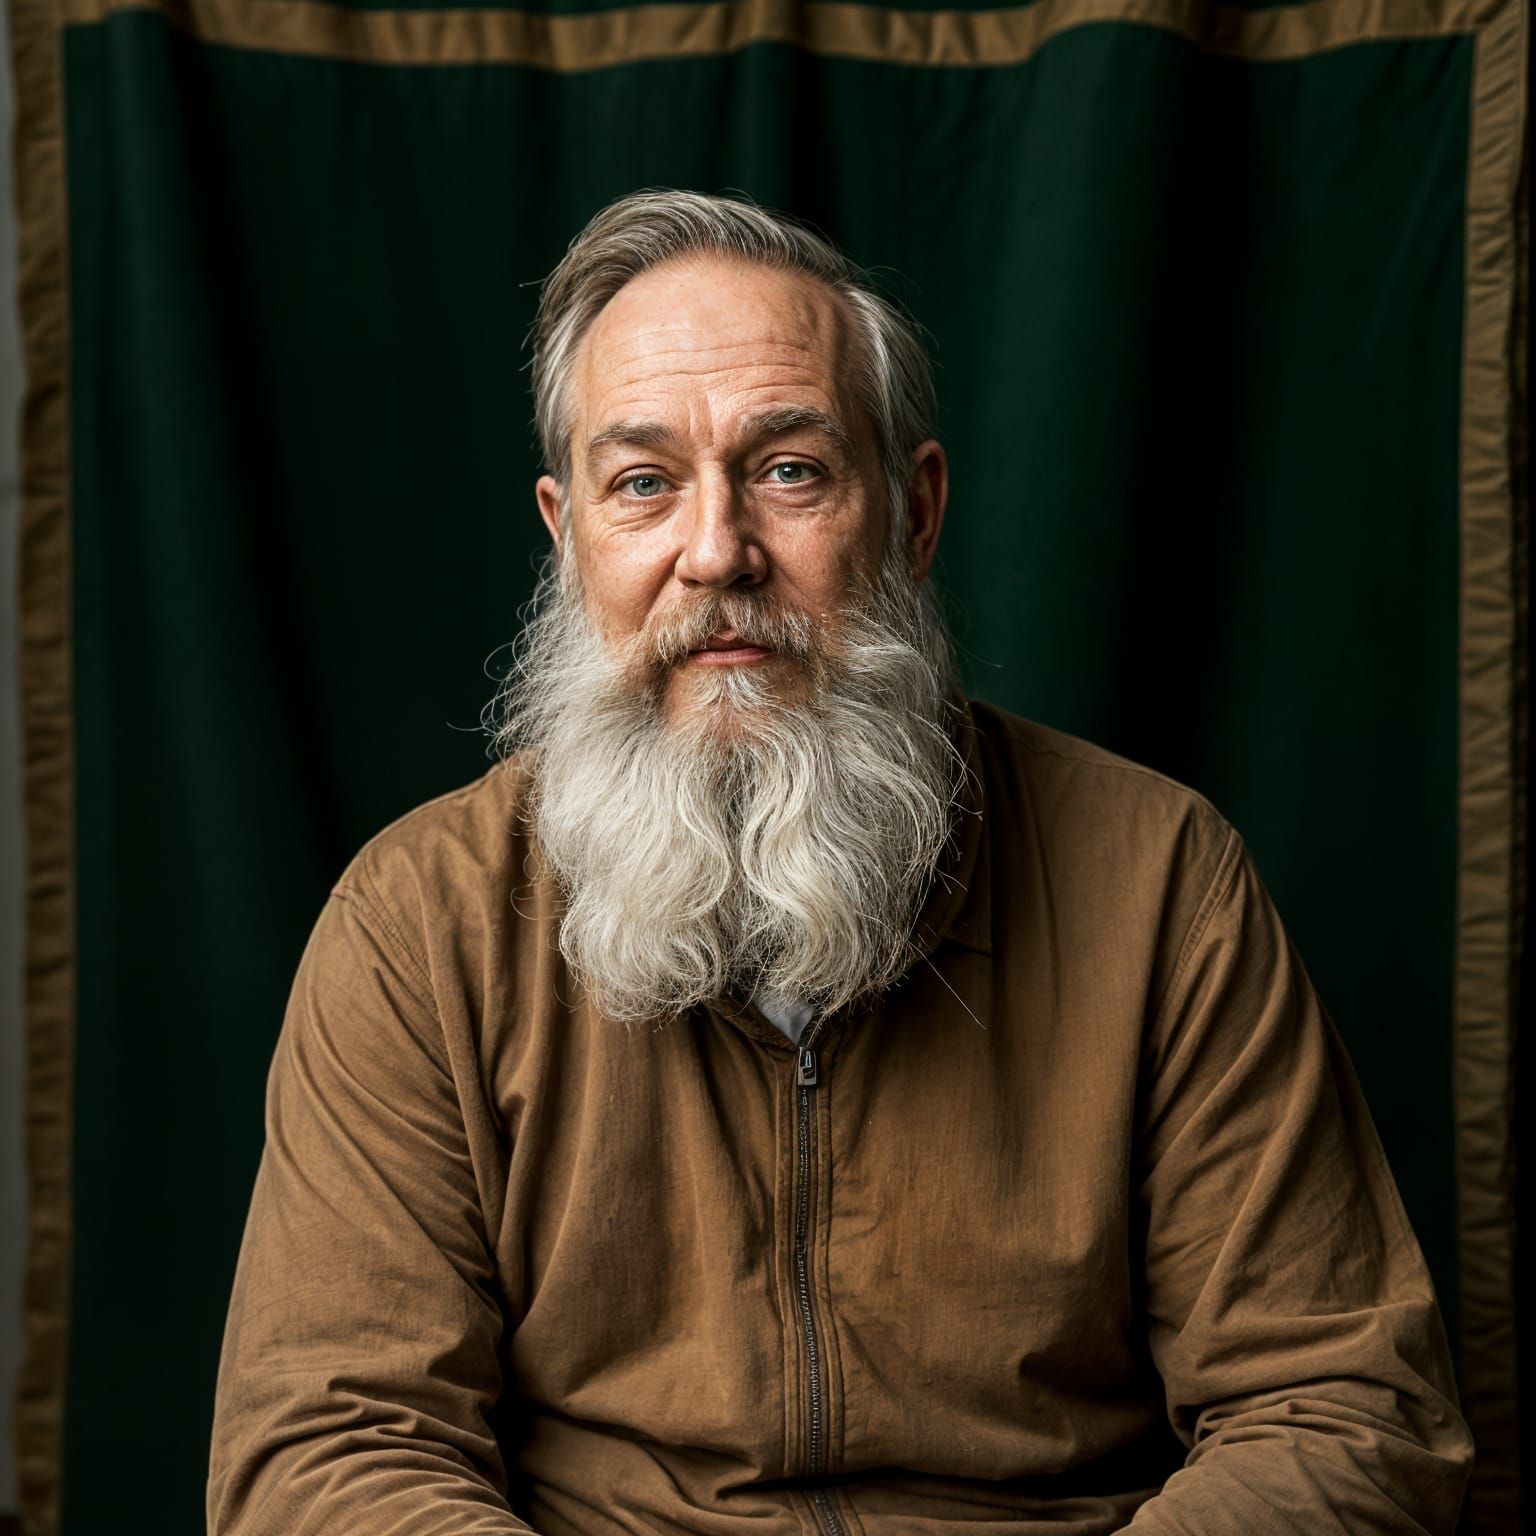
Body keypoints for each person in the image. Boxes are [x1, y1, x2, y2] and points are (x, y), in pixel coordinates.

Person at [206, 188, 1474, 1536]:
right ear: (567, 534)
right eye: (643, 484)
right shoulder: (418, 923)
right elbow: (326, 1452)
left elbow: (1345, 1409)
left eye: (789, 471)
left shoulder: (1161, 880)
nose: (717, 554)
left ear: (912, 511)